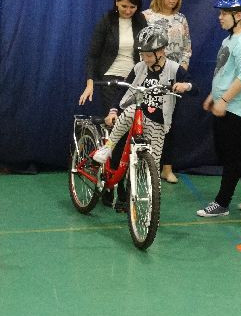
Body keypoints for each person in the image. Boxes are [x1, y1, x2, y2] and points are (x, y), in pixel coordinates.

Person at [92, 26, 194, 191]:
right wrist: (113, 110)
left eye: (148, 55)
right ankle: (107, 148)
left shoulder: (173, 68)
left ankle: (147, 195)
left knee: (151, 165)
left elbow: (194, 88)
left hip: (158, 123)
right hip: (137, 115)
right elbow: (123, 90)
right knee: (132, 110)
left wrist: (185, 85)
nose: (145, 59)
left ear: (161, 51)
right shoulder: (139, 68)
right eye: (142, 55)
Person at [195, 0, 241, 218]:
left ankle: (222, 203)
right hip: (225, 104)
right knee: (229, 153)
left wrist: (224, 100)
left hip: (237, 109)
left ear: (238, 16)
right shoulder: (230, 39)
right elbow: (224, 72)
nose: (220, 16)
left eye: (225, 13)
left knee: (231, 156)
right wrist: (212, 96)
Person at [79, 0, 148, 211]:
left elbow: (148, 52)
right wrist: (90, 83)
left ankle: (125, 190)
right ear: (116, 3)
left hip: (134, 81)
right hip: (110, 79)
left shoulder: (141, 21)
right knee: (116, 130)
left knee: (133, 135)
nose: (128, 11)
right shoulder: (106, 21)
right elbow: (93, 55)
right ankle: (111, 185)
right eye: (124, 6)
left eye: (133, 7)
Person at [143, 0, 193, 184]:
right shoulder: (146, 16)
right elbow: (140, 47)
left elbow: (186, 48)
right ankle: (147, 165)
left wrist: (182, 71)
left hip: (174, 77)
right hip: (152, 75)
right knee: (149, 121)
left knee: (169, 122)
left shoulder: (181, 18)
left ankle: (167, 168)